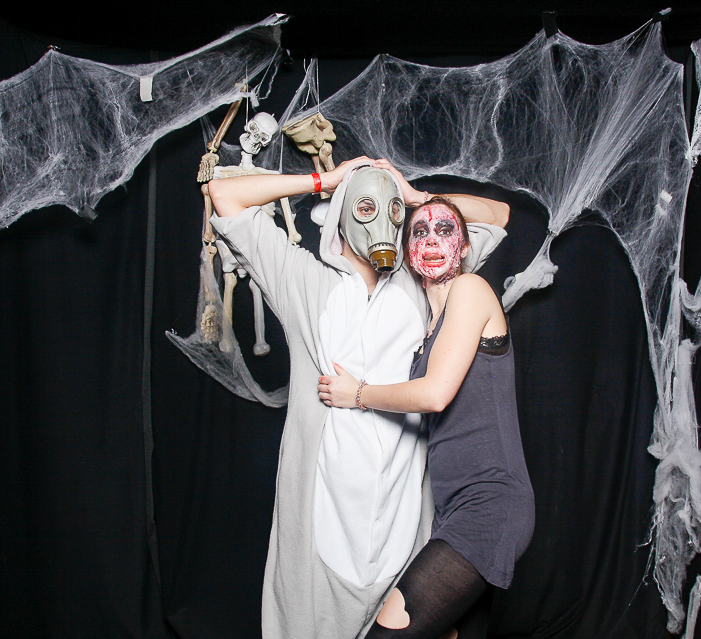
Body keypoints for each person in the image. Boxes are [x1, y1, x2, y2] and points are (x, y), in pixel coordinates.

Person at [206, 157, 509, 638]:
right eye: (367, 207)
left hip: (403, 519)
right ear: (342, 214)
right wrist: (326, 180)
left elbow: (498, 215)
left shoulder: (424, 281)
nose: (384, 223)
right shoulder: (303, 280)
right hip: (322, 517)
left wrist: (414, 198)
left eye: (393, 213)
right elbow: (225, 195)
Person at [318, 197, 535, 638]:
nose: (432, 241)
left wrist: (357, 393)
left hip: (489, 506)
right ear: (407, 251)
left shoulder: (471, 289)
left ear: (466, 247)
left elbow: (435, 395)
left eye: (445, 230)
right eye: (419, 232)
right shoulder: (428, 333)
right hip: (454, 512)